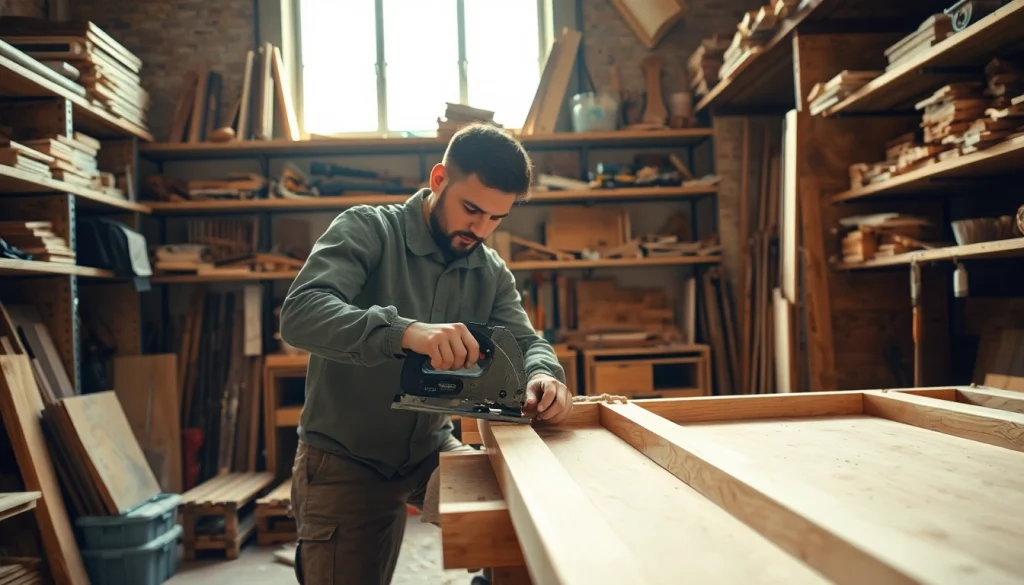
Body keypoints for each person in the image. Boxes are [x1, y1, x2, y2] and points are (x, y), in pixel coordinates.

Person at [278, 122, 572, 585]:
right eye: (471, 209)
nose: (480, 229)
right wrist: (405, 332)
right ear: (439, 180)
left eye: (497, 218)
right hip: (345, 457)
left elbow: (528, 342)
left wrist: (544, 376)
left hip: (427, 448)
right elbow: (300, 314)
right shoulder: (368, 229)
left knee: (523, 525)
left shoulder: (489, 270)